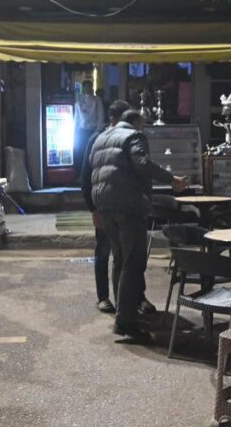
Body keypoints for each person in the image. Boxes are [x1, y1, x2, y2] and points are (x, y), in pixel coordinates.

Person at [87, 109, 187, 341]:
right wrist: (171, 180)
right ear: (134, 122)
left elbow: (92, 168)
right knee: (133, 262)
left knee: (119, 259)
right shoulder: (133, 135)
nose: (143, 129)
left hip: (104, 205)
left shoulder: (101, 138)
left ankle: (123, 313)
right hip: (127, 205)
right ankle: (126, 322)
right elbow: (142, 163)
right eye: (142, 124)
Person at [80, 99, 130, 314]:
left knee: (126, 254)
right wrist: (93, 209)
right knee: (103, 251)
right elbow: (86, 177)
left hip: (123, 206)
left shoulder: (126, 138)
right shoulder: (97, 139)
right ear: (112, 119)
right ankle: (103, 297)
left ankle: (132, 297)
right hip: (103, 205)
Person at [74, 80, 103, 175]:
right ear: (83, 88)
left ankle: (91, 172)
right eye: (86, 87)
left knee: (92, 152)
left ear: (92, 87)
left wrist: (98, 130)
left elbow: (100, 115)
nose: (88, 89)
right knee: (81, 152)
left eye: (89, 86)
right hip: (82, 131)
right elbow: (77, 118)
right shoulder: (79, 101)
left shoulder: (97, 100)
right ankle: (82, 173)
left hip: (93, 130)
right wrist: (75, 131)